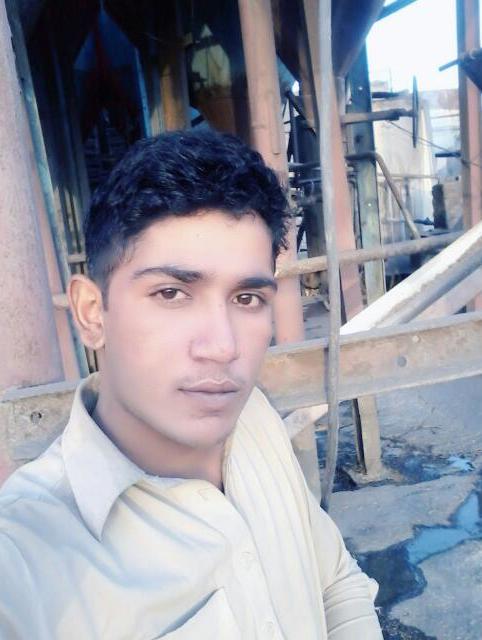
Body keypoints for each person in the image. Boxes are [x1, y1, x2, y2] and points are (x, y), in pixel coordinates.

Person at [0, 129, 382, 639]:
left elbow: (334, 580)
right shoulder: (24, 565)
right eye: (172, 293)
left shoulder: (255, 419)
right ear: (92, 313)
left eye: (247, 299)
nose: (222, 347)